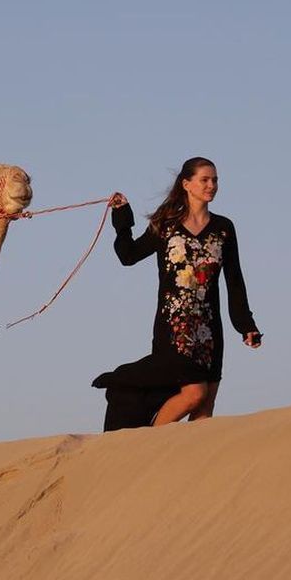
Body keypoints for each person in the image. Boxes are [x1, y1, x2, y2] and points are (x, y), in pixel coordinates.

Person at [100, 157, 261, 426]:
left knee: (204, 411)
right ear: (186, 184)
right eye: (205, 180)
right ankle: (145, 446)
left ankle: (187, 466)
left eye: (215, 180)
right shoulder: (166, 224)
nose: (212, 185)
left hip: (209, 330)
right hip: (174, 329)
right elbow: (128, 255)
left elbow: (234, 280)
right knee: (193, 393)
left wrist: (246, 325)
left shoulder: (224, 228)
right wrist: (122, 218)